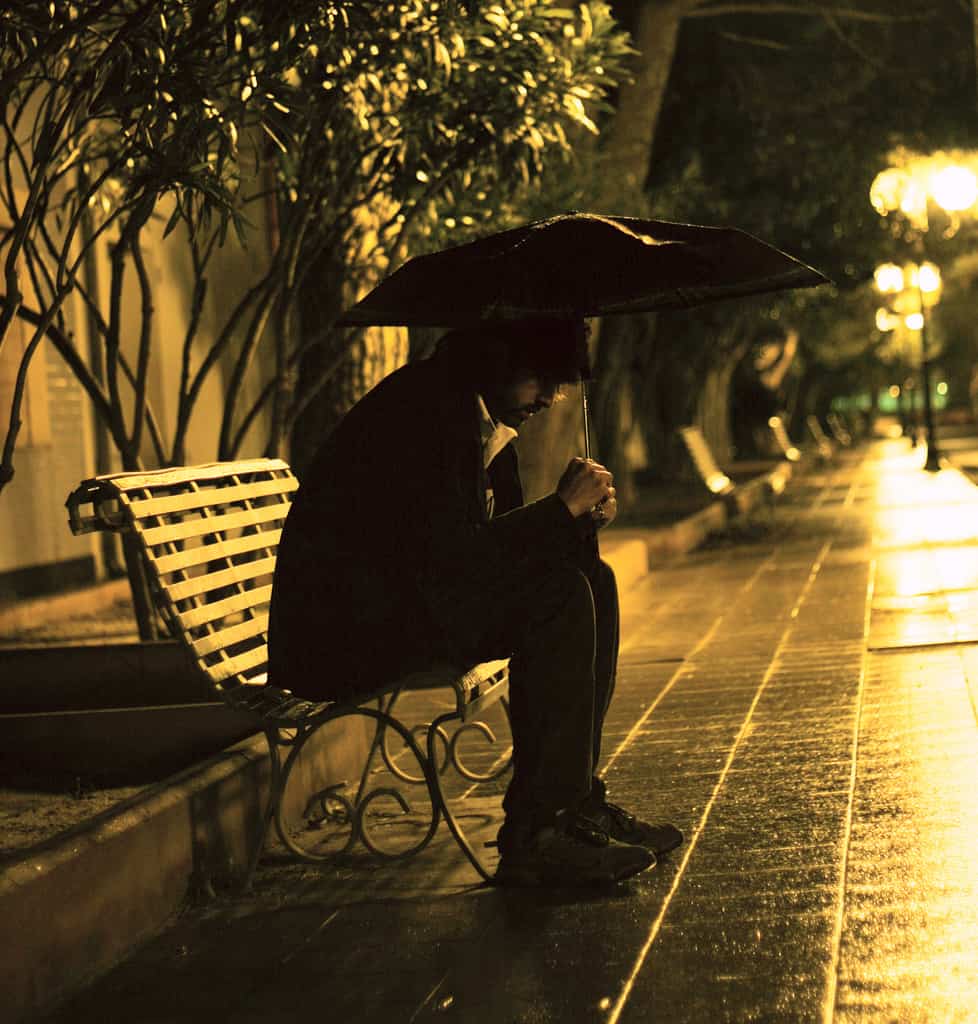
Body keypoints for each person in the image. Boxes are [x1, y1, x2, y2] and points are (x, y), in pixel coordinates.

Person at [268, 319, 683, 886]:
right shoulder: (422, 415)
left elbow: (493, 551)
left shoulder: (480, 416)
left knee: (591, 577)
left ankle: (575, 804)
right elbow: (452, 558)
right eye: (540, 378)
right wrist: (556, 513)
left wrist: (576, 524)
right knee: (557, 598)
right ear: (498, 358)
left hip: (408, 606)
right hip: (348, 634)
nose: (550, 397)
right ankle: (539, 834)